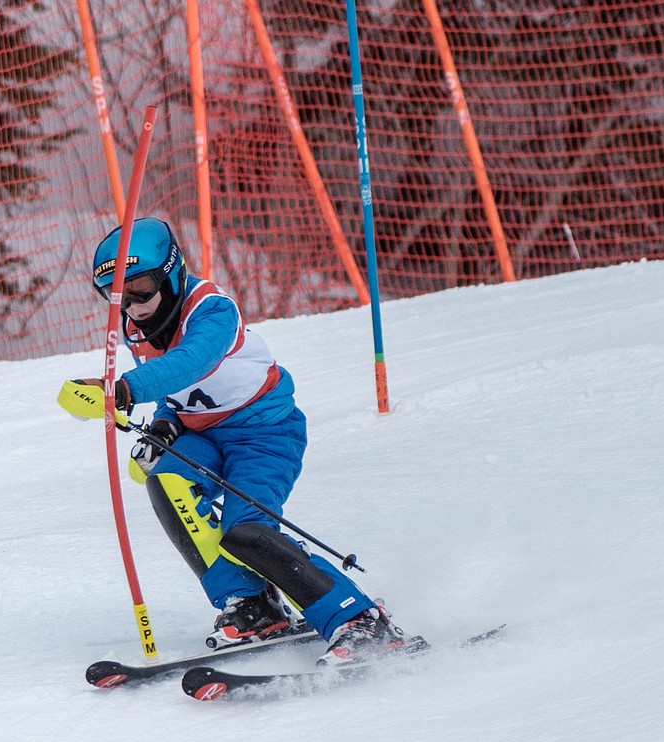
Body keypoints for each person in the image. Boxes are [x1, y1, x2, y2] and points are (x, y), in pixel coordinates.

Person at [72, 216, 418, 669]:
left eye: (140, 289)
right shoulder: (138, 329)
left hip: (264, 434)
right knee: (167, 482)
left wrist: (125, 390)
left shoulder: (213, 310)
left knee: (246, 531)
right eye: (117, 294)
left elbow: (194, 362)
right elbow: (178, 393)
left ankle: (358, 618)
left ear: (170, 274)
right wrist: (164, 425)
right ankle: (251, 603)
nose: (133, 306)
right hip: (203, 434)